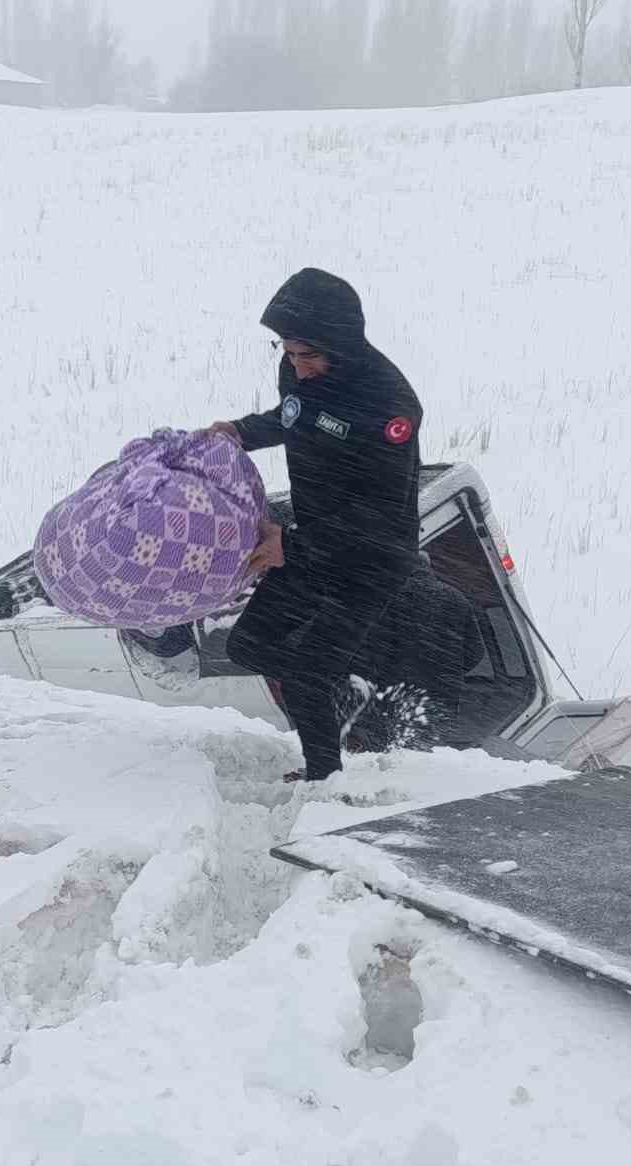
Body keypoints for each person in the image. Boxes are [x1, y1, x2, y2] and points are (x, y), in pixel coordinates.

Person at [209, 269, 423, 783]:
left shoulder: (389, 405)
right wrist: (241, 431)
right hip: (311, 543)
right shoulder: (300, 371)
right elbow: (295, 414)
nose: (297, 367)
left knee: (307, 671)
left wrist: (294, 545)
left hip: (372, 558)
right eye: (287, 353)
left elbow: (379, 513)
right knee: (248, 645)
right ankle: (341, 690)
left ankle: (323, 778)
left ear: (341, 346)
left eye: (309, 355)